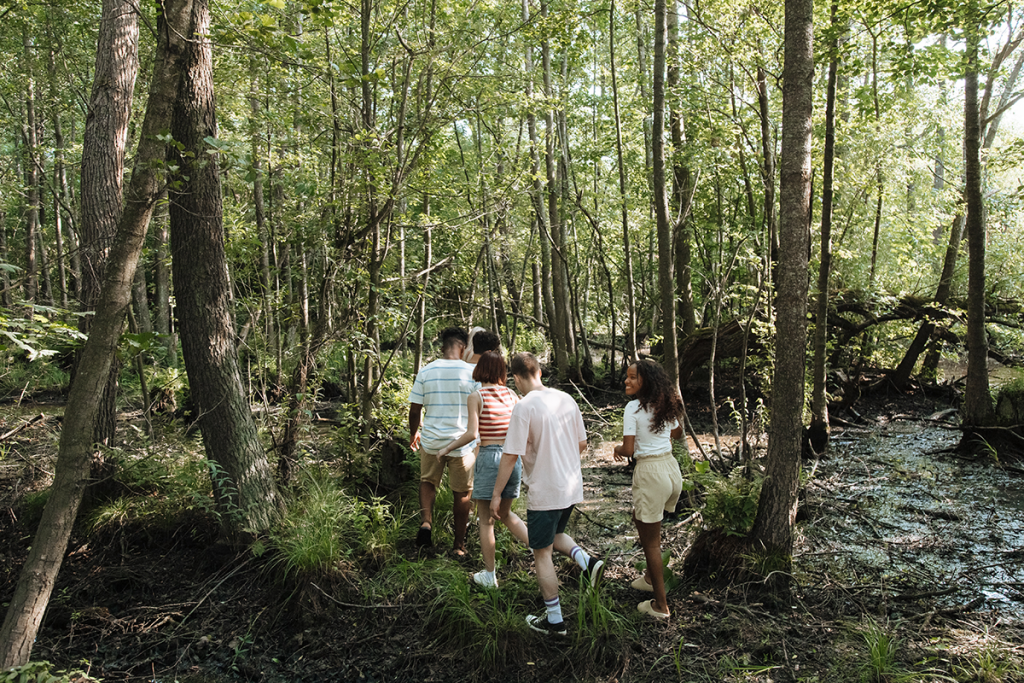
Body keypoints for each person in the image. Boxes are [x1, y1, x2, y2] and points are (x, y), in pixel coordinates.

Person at [490, 352, 604, 636]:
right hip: (570, 485)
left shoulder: (524, 407)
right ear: (539, 371)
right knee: (553, 536)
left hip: (545, 488)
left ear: (516, 378)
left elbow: (510, 456)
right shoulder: (566, 399)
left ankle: (555, 622)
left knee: (541, 552)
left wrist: (496, 494)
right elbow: (582, 443)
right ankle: (588, 563)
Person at [438, 350, 529, 588]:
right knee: (507, 514)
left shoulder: (476, 396)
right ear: (501, 371)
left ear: (480, 369)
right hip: (512, 458)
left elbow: (471, 434)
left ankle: (490, 575)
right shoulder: (511, 394)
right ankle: (542, 549)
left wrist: (446, 449)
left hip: (489, 457)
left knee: (486, 520)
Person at [611, 359, 685, 619]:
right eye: (627, 376)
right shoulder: (665, 402)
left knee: (651, 543)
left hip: (650, 474)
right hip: (671, 470)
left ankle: (660, 605)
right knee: (641, 519)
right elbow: (677, 434)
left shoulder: (633, 408)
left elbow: (629, 450)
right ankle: (649, 577)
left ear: (646, 382)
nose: (626, 381)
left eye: (632, 377)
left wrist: (616, 450)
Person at [409, 326, 478, 554]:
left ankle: (426, 522)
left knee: (428, 482)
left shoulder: (426, 371)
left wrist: (413, 433)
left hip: (432, 441)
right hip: (462, 444)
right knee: (462, 493)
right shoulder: (472, 373)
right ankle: (458, 546)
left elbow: (415, 409)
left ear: (442, 346)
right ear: (464, 347)